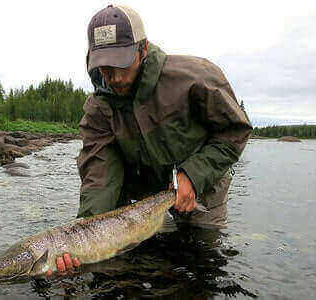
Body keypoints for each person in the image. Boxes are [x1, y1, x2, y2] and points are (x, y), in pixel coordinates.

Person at [51, 4, 253, 276]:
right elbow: (99, 174)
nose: (114, 77)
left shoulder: (196, 78)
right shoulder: (98, 109)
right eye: (104, 67)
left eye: (121, 63)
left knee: (204, 261)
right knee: (127, 269)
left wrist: (193, 175)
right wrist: (86, 234)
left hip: (205, 187)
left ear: (142, 49)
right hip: (142, 198)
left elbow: (234, 132)